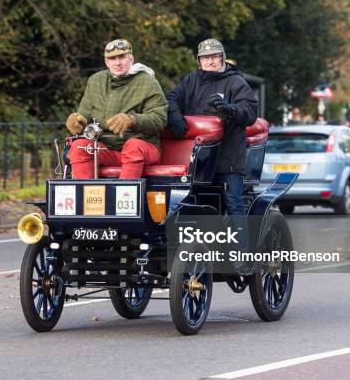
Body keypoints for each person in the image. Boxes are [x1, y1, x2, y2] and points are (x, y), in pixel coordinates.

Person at [166, 38, 258, 273]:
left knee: (234, 203)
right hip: (196, 159)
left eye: (215, 56)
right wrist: (174, 115)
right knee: (177, 201)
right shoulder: (191, 80)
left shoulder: (236, 82)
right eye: (206, 57)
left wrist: (231, 109)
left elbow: (250, 112)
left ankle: (242, 257)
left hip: (227, 157)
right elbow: (172, 97)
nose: (211, 61)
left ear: (222, 58)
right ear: (199, 61)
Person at [65, 39, 167, 179]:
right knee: (79, 147)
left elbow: (160, 120)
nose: (117, 63)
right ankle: (85, 198)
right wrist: (77, 121)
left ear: (131, 58)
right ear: (106, 62)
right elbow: (84, 117)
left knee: (133, 147)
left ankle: (125, 198)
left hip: (143, 146)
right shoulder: (95, 81)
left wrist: (132, 120)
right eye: (112, 58)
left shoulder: (148, 82)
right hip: (105, 148)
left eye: (122, 57)